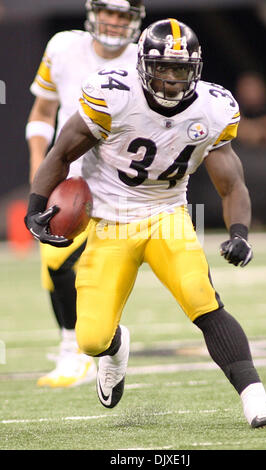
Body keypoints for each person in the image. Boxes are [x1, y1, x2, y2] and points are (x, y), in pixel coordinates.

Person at [25, 19, 266, 428]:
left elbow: (231, 183)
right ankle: (114, 348)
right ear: (144, 65)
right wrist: (36, 205)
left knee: (204, 301)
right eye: (162, 67)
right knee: (90, 338)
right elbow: (60, 152)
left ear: (194, 69)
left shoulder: (212, 109)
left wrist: (240, 234)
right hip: (110, 221)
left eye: (179, 69)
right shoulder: (113, 95)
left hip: (166, 216)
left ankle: (257, 400)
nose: (170, 78)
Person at [25, 0, 146, 388]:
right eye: (108, 12)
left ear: (134, 20)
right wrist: (37, 167)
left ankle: (97, 345)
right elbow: (43, 112)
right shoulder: (62, 47)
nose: (113, 21)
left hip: (121, 181)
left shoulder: (145, 57)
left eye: (123, 15)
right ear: (94, 11)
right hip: (70, 177)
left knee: (101, 271)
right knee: (56, 261)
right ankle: (73, 349)